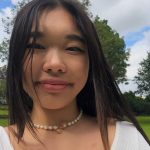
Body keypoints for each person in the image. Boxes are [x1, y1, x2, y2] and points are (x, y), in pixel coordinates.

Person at [0, 0, 150, 150]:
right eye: (35, 46)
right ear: (15, 59)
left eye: (73, 48)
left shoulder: (128, 139)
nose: (55, 64)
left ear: (91, 62)